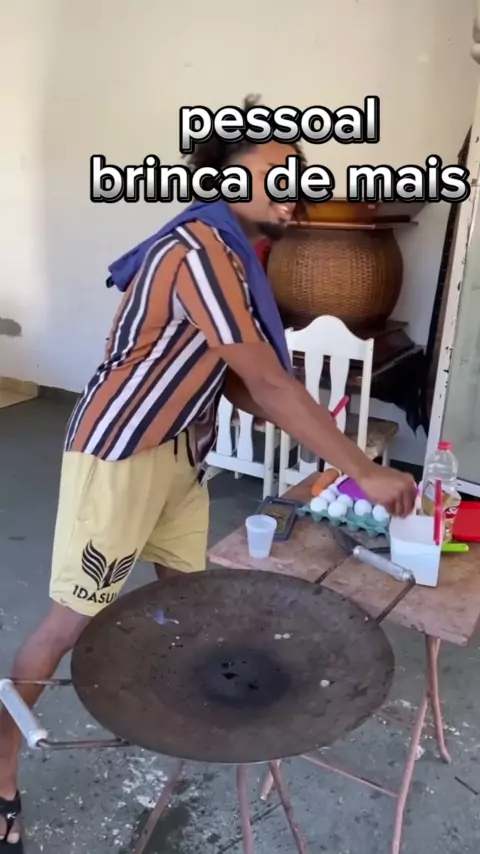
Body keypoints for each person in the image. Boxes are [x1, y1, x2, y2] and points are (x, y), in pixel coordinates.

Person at [0, 98, 416, 848]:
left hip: (179, 452)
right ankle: (0, 778)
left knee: (186, 595)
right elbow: (270, 381)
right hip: (121, 454)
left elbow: (236, 380)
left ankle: (179, 710)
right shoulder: (198, 251)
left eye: (299, 175)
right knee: (68, 621)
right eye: (275, 172)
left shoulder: (232, 252)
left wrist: (293, 425)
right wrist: (359, 466)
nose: (293, 189)